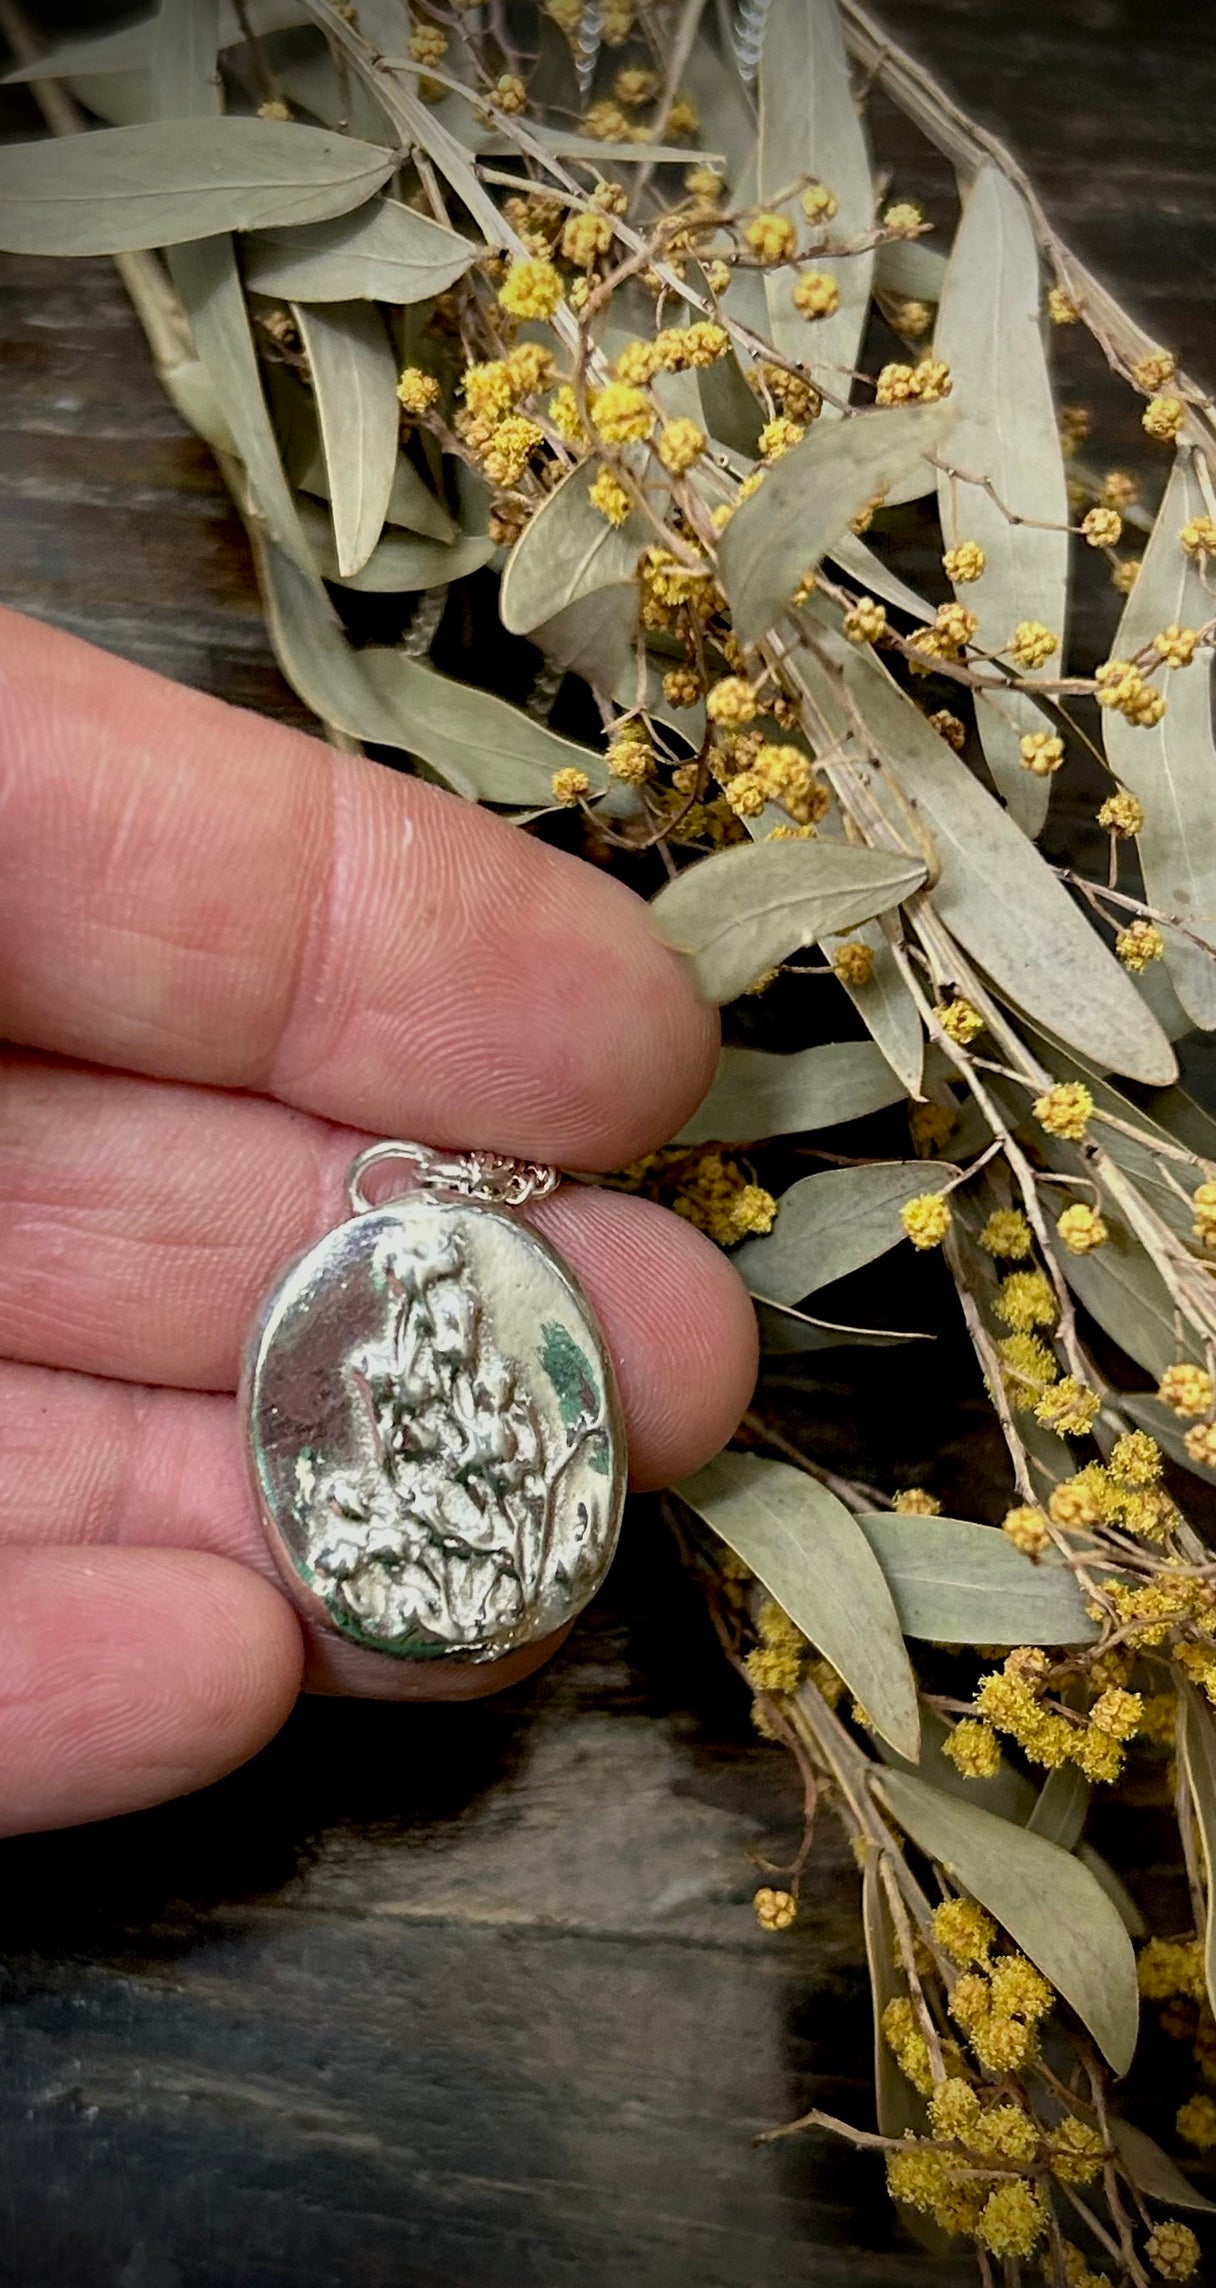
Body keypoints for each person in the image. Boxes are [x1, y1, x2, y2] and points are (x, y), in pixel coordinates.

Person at [0, 606, 758, 1838]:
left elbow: (482, 1416)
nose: (424, 1308)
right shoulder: (395, 1346)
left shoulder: (456, 1340)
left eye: (428, 1298)